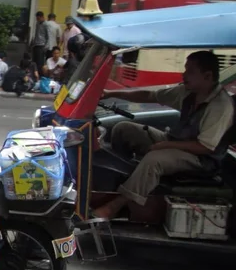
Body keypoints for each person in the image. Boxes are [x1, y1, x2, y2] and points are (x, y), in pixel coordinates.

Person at [93, 51, 235, 220]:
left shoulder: (220, 106)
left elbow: (205, 146)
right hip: (178, 142)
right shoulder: (188, 92)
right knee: (123, 129)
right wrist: (111, 93)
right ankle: (124, 184)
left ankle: (114, 207)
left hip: (202, 160)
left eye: (190, 71)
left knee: (155, 159)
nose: (184, 75)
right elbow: (150, 95)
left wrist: (165, 145)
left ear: (207, 76)